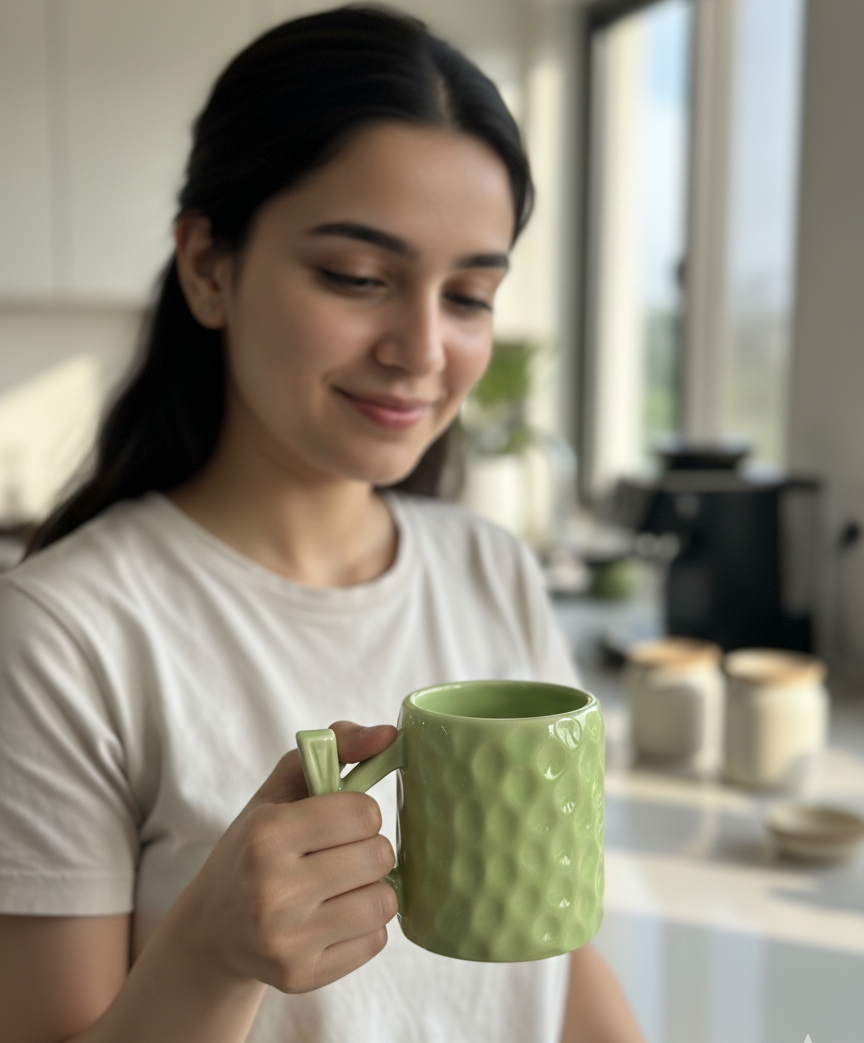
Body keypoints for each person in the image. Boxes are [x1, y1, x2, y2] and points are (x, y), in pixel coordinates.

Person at [0, 7, 646, 1042]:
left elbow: (557, 963)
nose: (423, 349)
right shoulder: (63, 635)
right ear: (210, 266)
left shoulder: (490, 566)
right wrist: (212, 952)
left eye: (471, 293)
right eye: (357, 277)